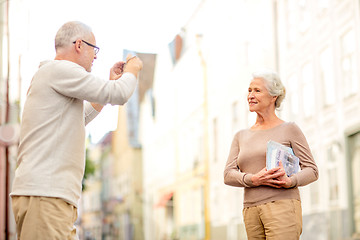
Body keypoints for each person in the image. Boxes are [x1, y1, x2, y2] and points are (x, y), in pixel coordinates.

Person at [10, 21, 143, 239]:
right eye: (94, 49)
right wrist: (133, 70)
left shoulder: (53, 74)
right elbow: (118, 94)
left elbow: (78, 118)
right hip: (46, 195)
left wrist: (109, 84)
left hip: (48, 195)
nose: (96, 56)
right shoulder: (61, 70)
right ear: (79, 45)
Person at [223, 69, 319, 240]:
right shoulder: (241, 136)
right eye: (249, 90)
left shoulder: (289, 129)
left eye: (257, 90)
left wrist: (291, 181)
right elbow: (228, 175)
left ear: (273, 96)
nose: (250, 95)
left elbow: (312, 170)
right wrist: (253, 179)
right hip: (250, 210)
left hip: (282, 206)